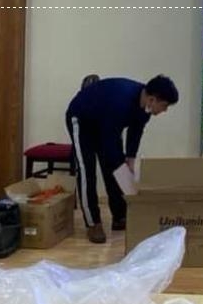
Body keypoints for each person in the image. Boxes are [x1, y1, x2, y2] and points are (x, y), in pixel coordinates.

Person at [65, 74, 179, 243]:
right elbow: (109, 142)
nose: (164, 110)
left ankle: (119, 216)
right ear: (152, 99)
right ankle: (93, 223)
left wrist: (130, 159)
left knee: (116, 166)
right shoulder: (120, 102)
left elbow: (135, 132)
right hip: (82, 119)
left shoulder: (145, 109)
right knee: (87, 171)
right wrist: (123, 170)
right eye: (165, 106)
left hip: (106, 123)